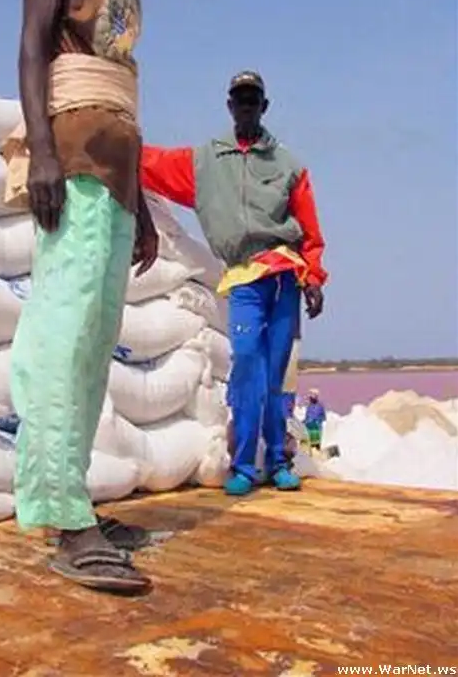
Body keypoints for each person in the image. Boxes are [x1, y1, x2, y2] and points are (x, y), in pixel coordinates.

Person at [2, 0, 160, 595]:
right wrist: (41, 150)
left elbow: (120, 98)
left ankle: (78, 500)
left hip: (117, 182)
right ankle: (64, 522)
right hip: (71, 164)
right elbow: (33, 47)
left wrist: (145, 206)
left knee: (95, 348)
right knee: (62, 339)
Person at [140, 70, 328, 495]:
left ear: (264, 106)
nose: (245, 106)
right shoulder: (206, 161)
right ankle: (243, 464)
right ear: (229, 106)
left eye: (252, 99)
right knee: (245, 364)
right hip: (244, 277)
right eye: (239, 99)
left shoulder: (288, 165)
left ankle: (277, 460)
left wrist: (314, 277)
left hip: (284, 276)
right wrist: (107, 141)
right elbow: (150, 163)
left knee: (277, 374)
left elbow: (309, 228)